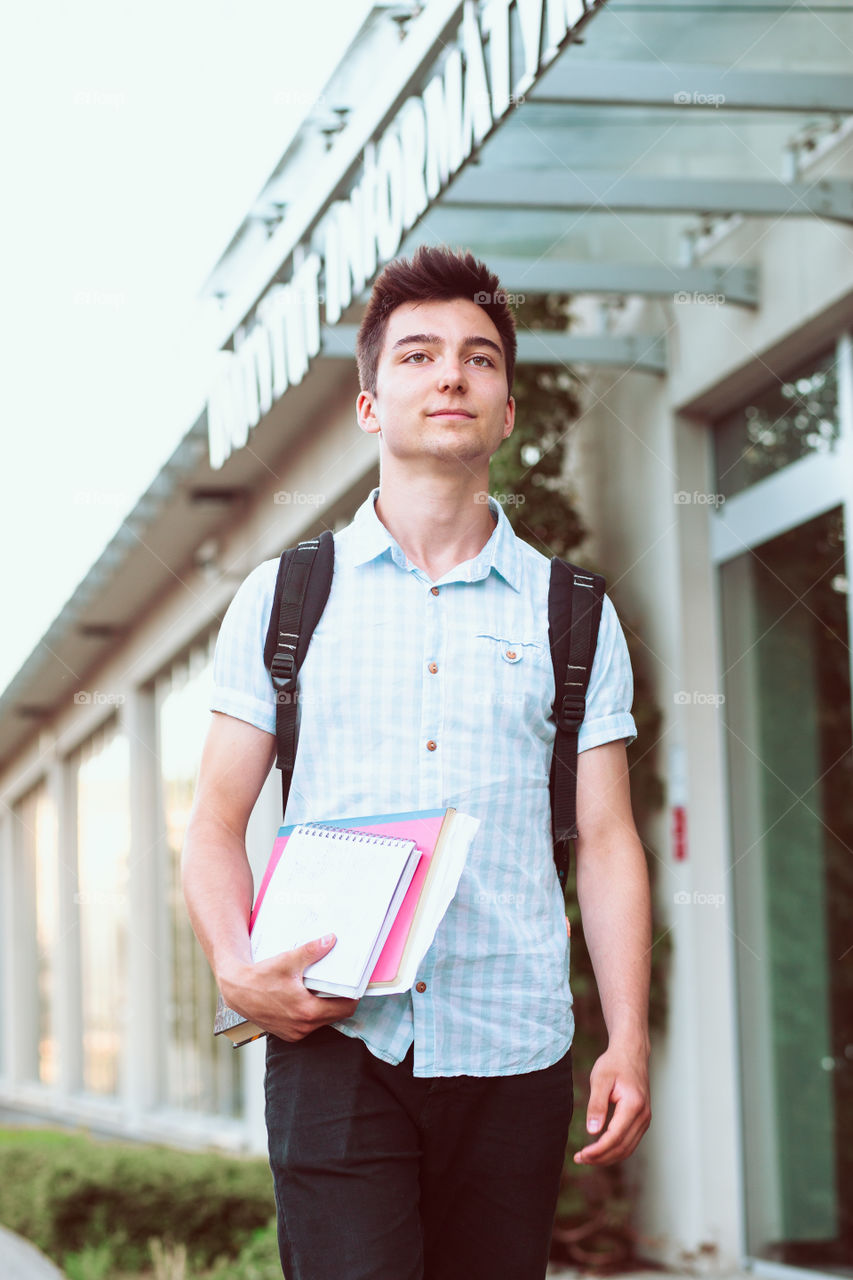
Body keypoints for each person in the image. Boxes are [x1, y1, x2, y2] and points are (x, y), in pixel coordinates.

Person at [182, 245, 652, 1280]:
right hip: (335, 1040)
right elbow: (214, 823)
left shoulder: (571, 612)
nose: (451, 375)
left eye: (480, 359)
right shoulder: (284, 597)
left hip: (512, 1044)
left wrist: (626, 1035)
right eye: (420, 354)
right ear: (368, 402)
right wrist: (233, 962)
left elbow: (610, 841)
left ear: (507, 411)